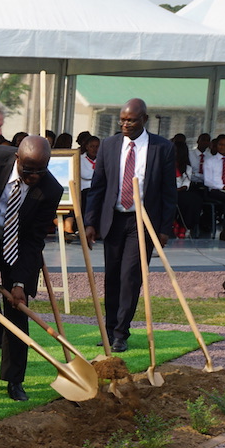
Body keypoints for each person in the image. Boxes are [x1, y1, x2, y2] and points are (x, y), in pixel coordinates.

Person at [84, 98, 177, 353]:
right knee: (112, 276)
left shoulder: (162, 148)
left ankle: (120, 333)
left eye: (131, 120)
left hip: (142, 221)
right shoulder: (109, 145)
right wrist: (90, 222)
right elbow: (98, 187)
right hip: (113, 220)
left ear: (144, 119)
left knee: (130, 277)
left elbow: (169, 192)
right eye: (122, 119)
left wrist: (164, 229)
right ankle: (109, 329)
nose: (125, 124)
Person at [0, 136, 62, 402]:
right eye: (28, 170)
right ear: (17, 159)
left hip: (18, 248)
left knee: (17, 313)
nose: (33, 177)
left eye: (40, 171)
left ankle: (14, 381)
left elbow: (34, 240)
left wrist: (20, 284)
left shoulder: (51, 189)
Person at [202, 134, 225, 242]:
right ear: (216, 145)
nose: (223, 147)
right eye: (220, 144)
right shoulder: (210, 161)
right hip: (215, 190)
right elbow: (208, 181)